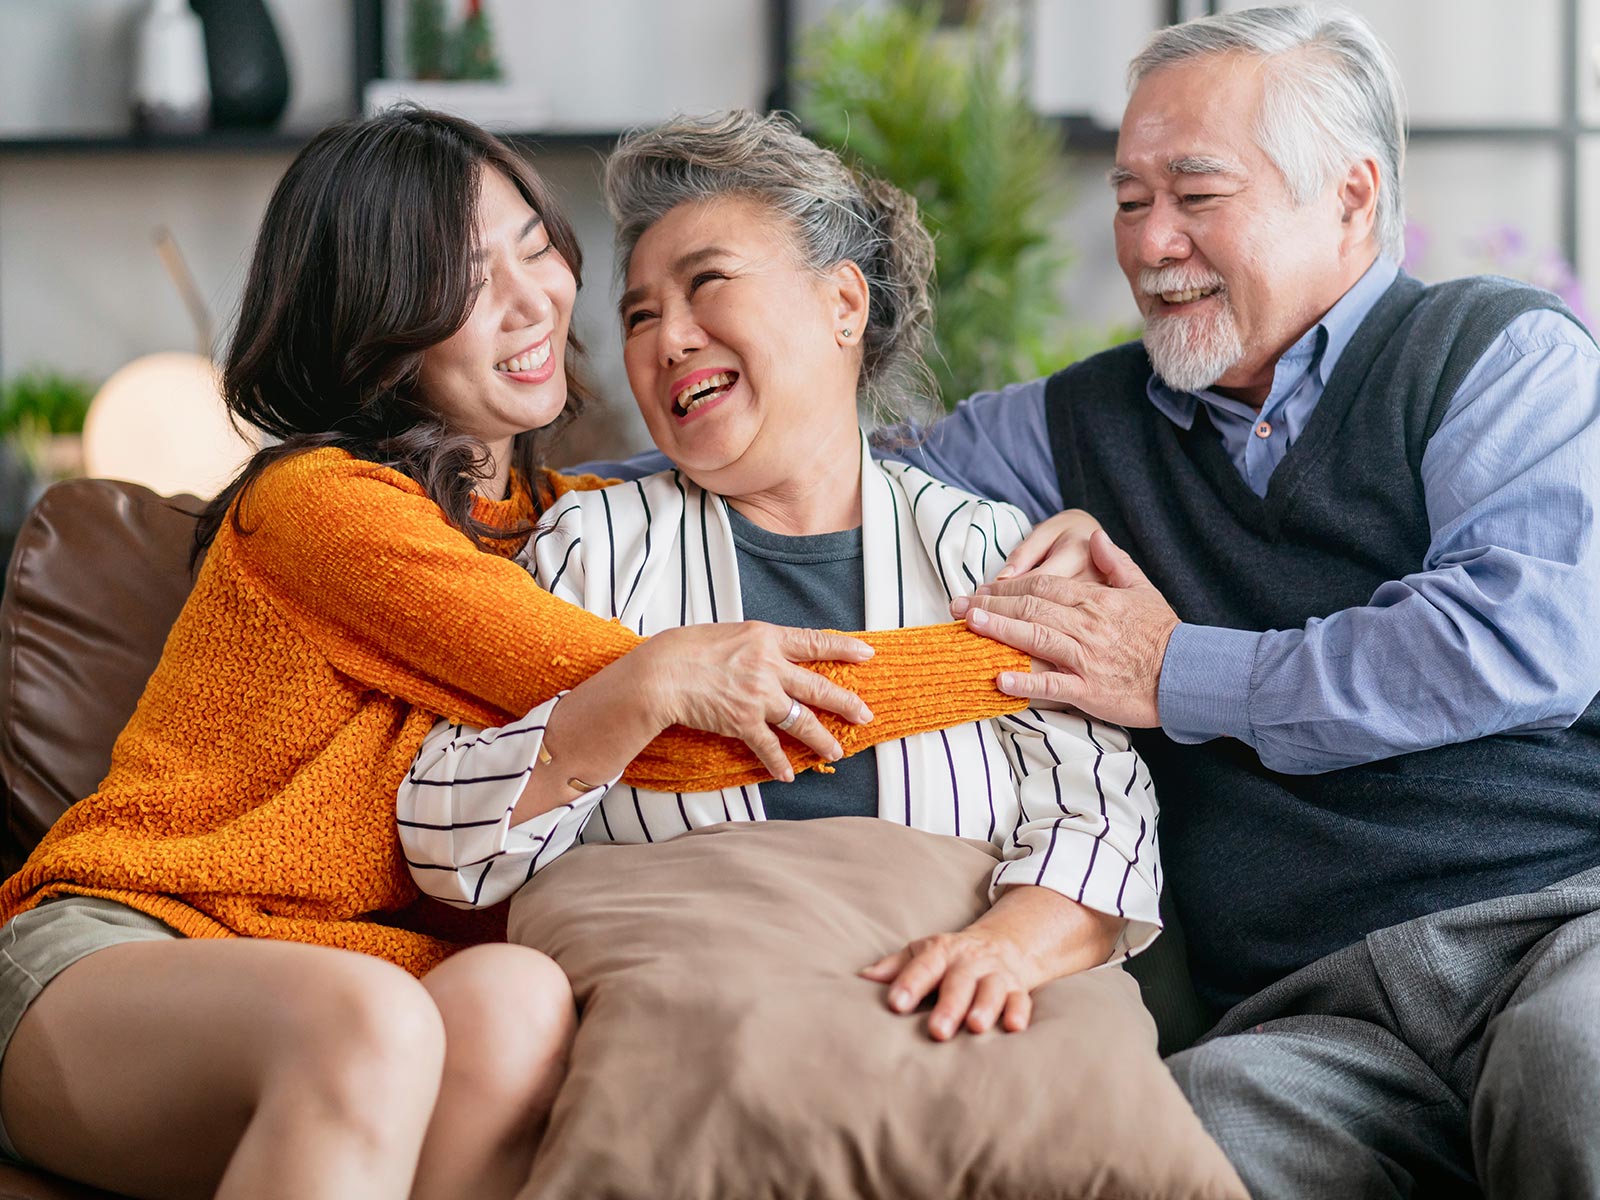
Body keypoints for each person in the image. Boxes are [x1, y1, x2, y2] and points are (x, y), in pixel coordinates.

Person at [0, 109, 1027, 1200]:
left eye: (535, 247)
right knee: (373, 1022)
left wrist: (1039, 542)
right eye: (466, 282)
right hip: (127, 956)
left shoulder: (569, 525)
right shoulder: (328, 509)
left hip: (372, 997)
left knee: (521, 997)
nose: (533, 298)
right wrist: (1025, 651)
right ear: (380, 328)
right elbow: (678, 725)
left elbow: (820, 445)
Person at [867, 6, 1600, 1197]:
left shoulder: (1498, 357)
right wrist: (524, 488)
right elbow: (829, 475)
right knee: (1180, 1146)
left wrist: (1176, 673)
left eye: (1196, 196)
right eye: (1127, 198)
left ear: (1351, 198)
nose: (1151, 243)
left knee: (1580, 1080)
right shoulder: (1074, 426)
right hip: (1311, 1013)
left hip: (1560, 930)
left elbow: (1514, 642)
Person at [398, 110, 1163, 1043]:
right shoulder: (591, 549)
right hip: (698, 1031)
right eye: (639, 316)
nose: (668, 338)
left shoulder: (988, 552)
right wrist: (638, 693)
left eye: (706, 282)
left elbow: (1105, 819)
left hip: (960, 1029)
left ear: (844, 305)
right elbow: (444, 837)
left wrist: (1004, 950)